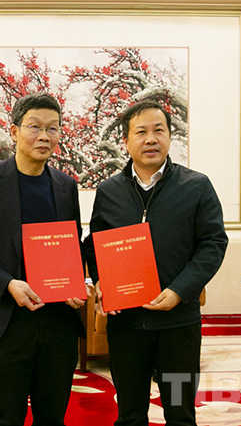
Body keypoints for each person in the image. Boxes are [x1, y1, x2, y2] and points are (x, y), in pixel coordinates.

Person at [83, 99, 228, 426]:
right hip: (127, 327)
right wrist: (102, 280)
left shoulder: (196, 186)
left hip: (178, 326)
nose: (151, 139)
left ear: (169, 137)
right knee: (130, 413)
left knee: (179, 412)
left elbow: (213, 243)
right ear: (126, 141)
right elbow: (95, 243)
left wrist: (180, 290)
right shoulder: (109, 191)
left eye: (158, 130)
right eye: (141, 132)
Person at [0, 92, 86, 426]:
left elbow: (71, 246)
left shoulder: (66, 186)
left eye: (53, 128)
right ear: (14, 131)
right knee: (6, 418)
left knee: (52, 417)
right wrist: (9, 284)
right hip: (6, 320)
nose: (44, 136)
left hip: (57, 322)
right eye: (35, 127)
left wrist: (77, 281)